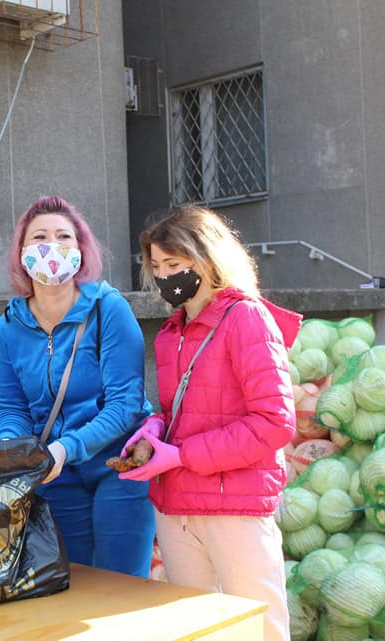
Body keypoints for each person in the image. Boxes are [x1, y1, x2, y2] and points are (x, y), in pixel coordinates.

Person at [120, 206, 299, 641]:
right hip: (176, 504)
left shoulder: (246, 318)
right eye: (158, 266)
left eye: (175, 265)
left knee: (258, 630)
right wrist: (155, 429)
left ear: (207, 259)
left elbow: (274, 422)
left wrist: (180, 454)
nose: (164, 276)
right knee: (195, 631)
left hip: (234, 507)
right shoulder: (171, 331)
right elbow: (184, 408)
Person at [0, 195, 155, 577]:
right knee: (73, 584)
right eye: (40, 237)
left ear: (81, 249)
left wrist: (68, 448)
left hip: (118, 463)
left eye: (64, 236)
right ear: (22, 252)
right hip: (55, 473)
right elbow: (13, 406)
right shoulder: (10, 323)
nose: (53, 246)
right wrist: (7, 447)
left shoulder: (108, 309)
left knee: (122, 587)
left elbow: (125, 404)